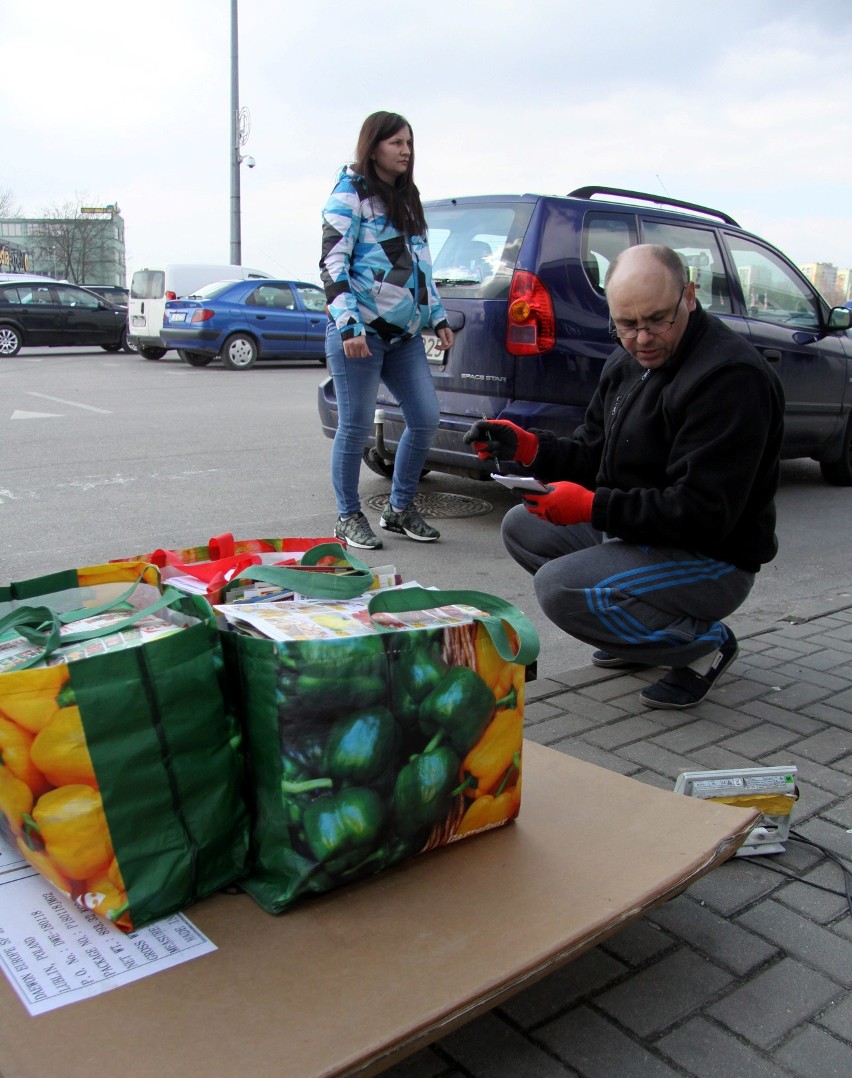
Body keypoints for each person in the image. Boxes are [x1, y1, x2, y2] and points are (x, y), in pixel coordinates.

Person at [464, 243, 784, 710]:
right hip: (650, 532)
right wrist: (530, 448)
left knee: (561, 588)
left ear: (689, 296)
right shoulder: (628, 360)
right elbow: (596, 454)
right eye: (626, 324)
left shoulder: (730, 379)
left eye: (658, 319)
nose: (642, 338)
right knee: (521, 524)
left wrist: (592, 506)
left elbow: (702, 514)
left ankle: (703, 644)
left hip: (715, 557)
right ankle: (641, 635)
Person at [320, 110, 454, 549]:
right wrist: (348, 325)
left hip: (404, 337)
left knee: (425, 417)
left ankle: (399, 509)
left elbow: (421, 267)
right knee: (355, 426)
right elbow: (332, 263)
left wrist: (437, 317)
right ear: (373, 146)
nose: (405, 151)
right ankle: (347, 516)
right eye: (396, 142)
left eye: (409, 144)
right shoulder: (350, 193)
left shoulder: (406, 198)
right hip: (359, 335)